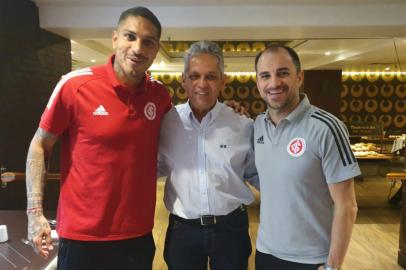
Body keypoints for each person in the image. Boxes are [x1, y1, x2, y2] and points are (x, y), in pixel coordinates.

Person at [25, 6, 171, 270]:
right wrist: (35, 214)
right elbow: (39, 144)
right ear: (115, 38)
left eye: (148, 42)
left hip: (137, 235)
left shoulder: (160, 96)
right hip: (82, 238)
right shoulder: (75, 85)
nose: (138, 48)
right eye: (130, 36)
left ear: (156, 48)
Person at [253, 45, 360, 270]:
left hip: (311, 260)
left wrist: (333, 265)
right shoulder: (258, 125)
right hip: (266, 253)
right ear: (258, 83)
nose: (273, 83)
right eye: (265, 75)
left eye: (283, 73)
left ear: (299, 77)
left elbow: (347, 206)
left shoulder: (327, 127)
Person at [158, 40, 259, 270]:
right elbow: (150, 167)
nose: (202, 84)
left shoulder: (242, 124)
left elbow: (256, 174)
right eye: (194, 76)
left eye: (211, 76)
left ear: (223, 81)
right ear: (183, 80)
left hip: (231, 229)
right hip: (182, 230)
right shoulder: (167, 123)